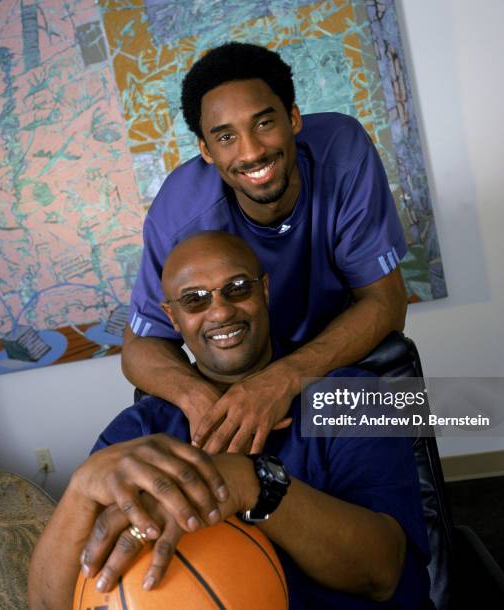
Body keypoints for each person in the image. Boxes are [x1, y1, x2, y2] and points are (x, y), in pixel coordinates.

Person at [29, 232, 431, 610]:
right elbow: (50, 604)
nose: (220, 311)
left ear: (265, 291)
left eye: (238, 289)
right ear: (172, 318)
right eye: (194, 300)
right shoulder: (139, 432)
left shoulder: (354, 397)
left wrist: (250, 482)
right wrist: (80, 493)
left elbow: (382, 573)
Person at [122, 42, 408, 455]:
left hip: (335, 368)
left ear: (293, 118)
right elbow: (139, 348)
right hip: (235, 382)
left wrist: (285, 378)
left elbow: (387, 301)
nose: (251, 151)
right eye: (225, 136)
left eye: (263, 123)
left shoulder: (344, 150)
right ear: (205, 150)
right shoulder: (178, 213)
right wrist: (199, 399)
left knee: (387, 493)